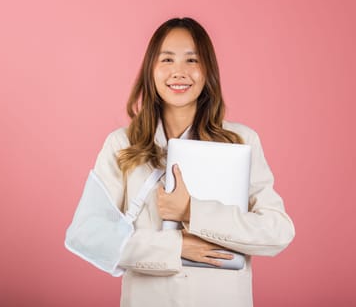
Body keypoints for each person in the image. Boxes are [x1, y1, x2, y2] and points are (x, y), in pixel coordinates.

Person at [92, 17, 295, 306]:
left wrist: (192, 211)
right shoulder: (122, 144)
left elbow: (277, 231)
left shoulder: (240, 141)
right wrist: (175, 248)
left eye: (192, 60)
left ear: (207, 70)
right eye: (167, 59)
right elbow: (94, 236)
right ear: (150, 70)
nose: (179, 72)